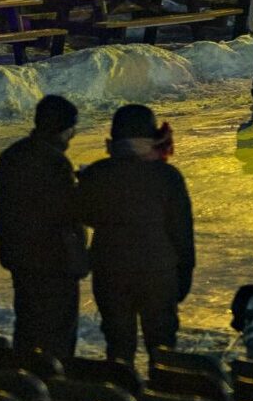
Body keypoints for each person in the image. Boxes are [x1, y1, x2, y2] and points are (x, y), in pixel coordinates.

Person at [76, 104, 195, 368]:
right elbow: (182, 232)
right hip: (158, 274)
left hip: (110, 272)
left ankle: (121, 398)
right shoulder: (167, 176)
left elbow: (84, 216)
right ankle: (162, 399)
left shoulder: (97, 173)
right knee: (163, 348)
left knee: (118, 347)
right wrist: (184, 274)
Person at [0, 95, 85, 363]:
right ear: (65, 129)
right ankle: (53, 384)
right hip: (55, 261)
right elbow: (66, 211)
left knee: (27, 323)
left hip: (20, 256)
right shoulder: (55, 163)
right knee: (57, 332)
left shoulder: (13, 155)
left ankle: (25, 376)